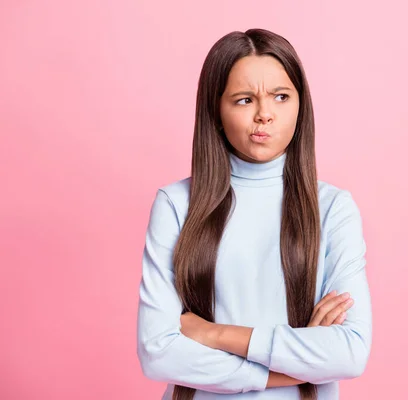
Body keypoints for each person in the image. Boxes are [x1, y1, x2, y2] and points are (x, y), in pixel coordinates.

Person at [136, 28, 372, 400]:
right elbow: (158, 353)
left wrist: (214, 334)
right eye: (244, 100)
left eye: (281, 97)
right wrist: (297, 361)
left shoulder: (333, 209)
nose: (264, 114)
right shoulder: (176, 204)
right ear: (216, 110)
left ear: (300, 104)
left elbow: (350, 352)